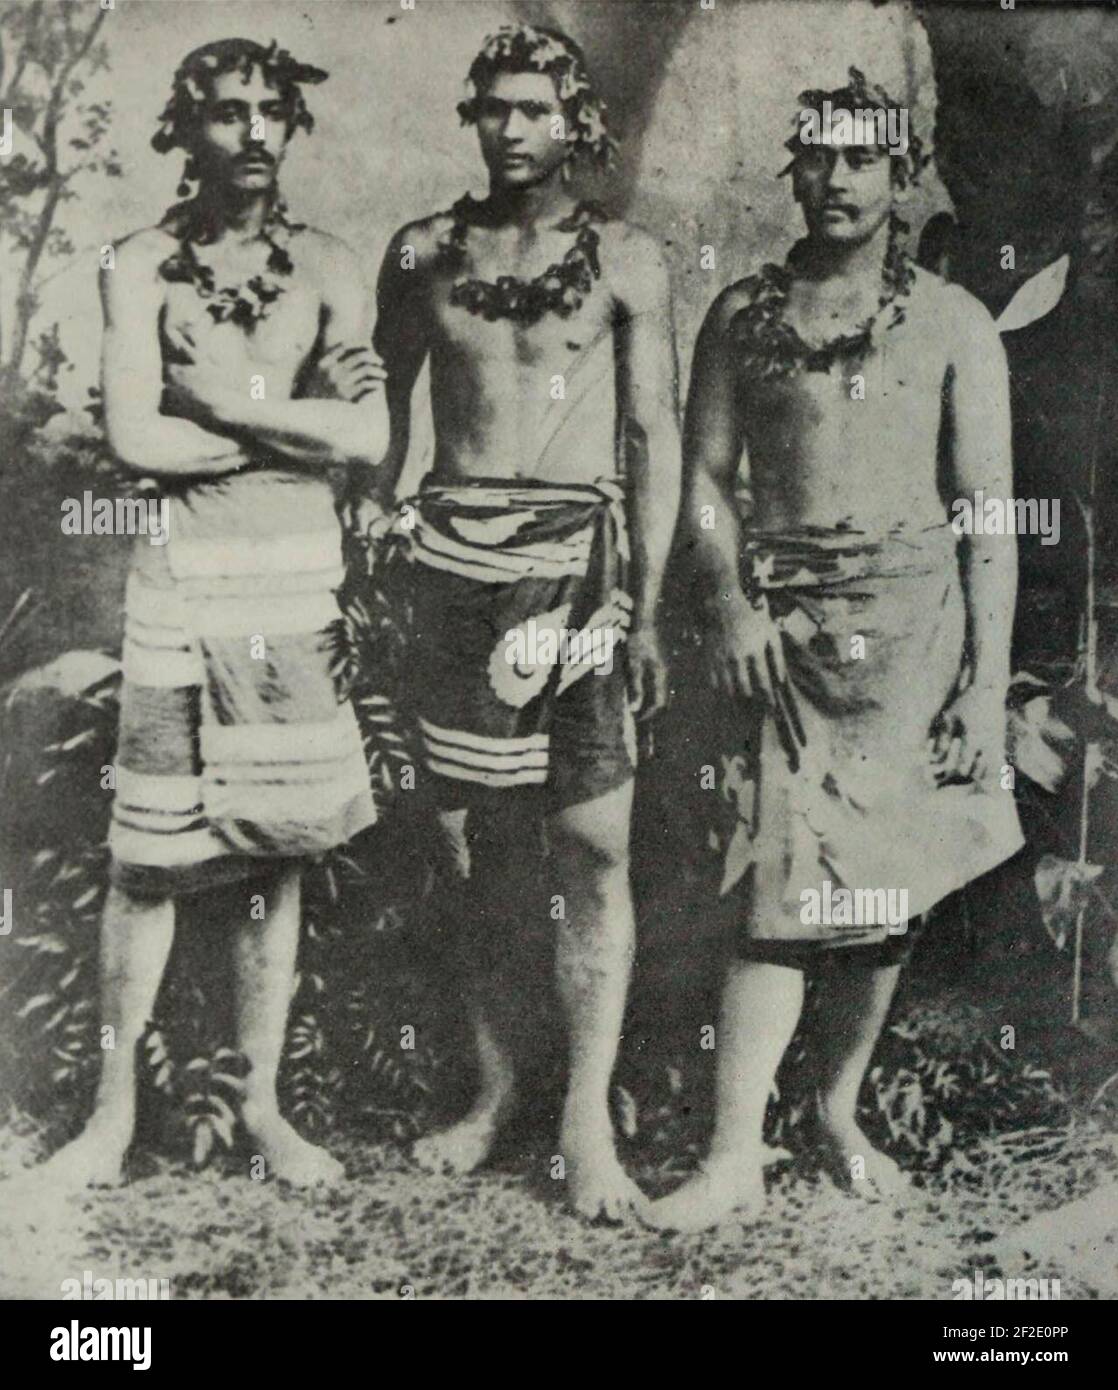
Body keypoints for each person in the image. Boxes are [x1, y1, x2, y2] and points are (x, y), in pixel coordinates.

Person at [649, 69, 1023, 1231]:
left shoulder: (953, 323)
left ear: (899, 174)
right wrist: (728, 603)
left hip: (911, 641)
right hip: (786, 635)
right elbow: (701, 483)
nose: (835, 178)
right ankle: (730, 1151)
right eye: (815, 155)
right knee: (772, 886)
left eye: (861, 157)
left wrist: (982, 685)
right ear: (792, 170)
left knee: (880, 893)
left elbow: (986, 515)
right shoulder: (741, 316)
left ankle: (831, 1111)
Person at [34, 38, 387, 1188]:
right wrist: (287, 431)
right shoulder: (139, 264)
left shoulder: (330, 264)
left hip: (292, 578)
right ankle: (109, 1119)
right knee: (148, 858)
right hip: (183, 581)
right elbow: (136, 436)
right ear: (185, 132)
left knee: (271, 854)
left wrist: (217, 403)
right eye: (227, 111)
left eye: (270, 109)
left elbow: (368, 434)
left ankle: (262, 1109)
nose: (252, 130)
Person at [356, 24, 681, 1221]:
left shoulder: (630, 261)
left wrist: (645, 612)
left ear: (576, 122)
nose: (510, 128)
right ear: (473, 115)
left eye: (535, 108)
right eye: (493, 107)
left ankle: (585, 1124)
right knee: (463, 843)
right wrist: (370, 531)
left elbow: (651, 436)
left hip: (578, 567)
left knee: (591, 843)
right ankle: (497, 1093)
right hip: (451, 564)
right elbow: (382, 415)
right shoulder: (420, 251)